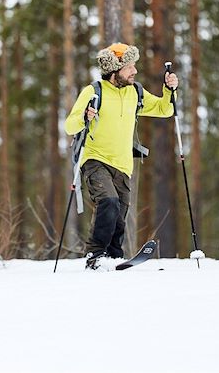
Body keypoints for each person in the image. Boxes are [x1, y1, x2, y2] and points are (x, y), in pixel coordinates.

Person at [64, 43, 178, 269]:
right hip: (95, 159)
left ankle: (114, 258)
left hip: (124, 165)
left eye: (134, 65)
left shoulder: (135, 92)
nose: (134, 71)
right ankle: (95, 255)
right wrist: (85, 117)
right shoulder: (93, 92)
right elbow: (70, 125)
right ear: (114, 70)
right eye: (129, 67)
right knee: (108, 201)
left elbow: (166, 110)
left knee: (118, 216)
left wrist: (169, 90)